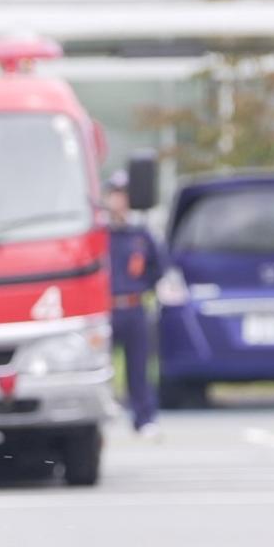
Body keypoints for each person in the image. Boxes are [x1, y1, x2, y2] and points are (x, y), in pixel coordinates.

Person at [104, 170, 167, 436]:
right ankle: (101, 418)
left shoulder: (139, 234)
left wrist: (142, 288)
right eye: (115, 195)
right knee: (101, 366)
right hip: (106, 309)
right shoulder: (101, 234)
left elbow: (158, 266)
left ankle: (144, 417)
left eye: (124, 195)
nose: (119, 201)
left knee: (139, 366)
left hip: (133, 306)